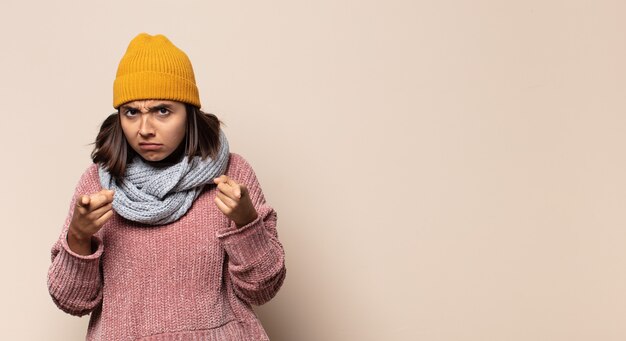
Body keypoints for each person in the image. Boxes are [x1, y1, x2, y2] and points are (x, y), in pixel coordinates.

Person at [46, 33, 286, 340]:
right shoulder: (96, 184)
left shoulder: (232, 175)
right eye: (131, 112)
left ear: (188, 113)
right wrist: (78, 237)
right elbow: (71, 300)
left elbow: (264, 288)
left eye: (162, 111)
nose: (145, 129)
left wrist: (247, 223)